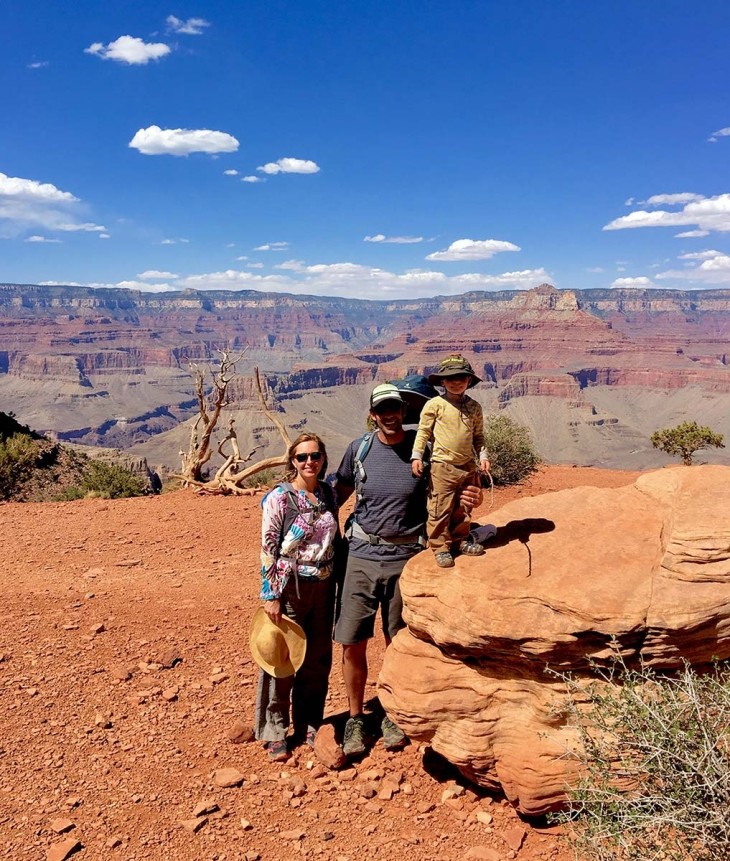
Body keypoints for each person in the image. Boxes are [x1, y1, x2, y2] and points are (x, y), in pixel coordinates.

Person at [333, 383, 482, 757]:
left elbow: (451, 490)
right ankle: (355, 717)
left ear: (404, 412)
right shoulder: (359, 449)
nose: (389, 415)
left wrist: (470, 496)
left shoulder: (425, 450)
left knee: (398, 640)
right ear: (372, 415)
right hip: (361, 557)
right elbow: (335, 496)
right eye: (382, 409)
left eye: (395, 408)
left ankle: (393, 712)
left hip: (407, 559)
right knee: (352, 641)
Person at [254, 432, 339, 762]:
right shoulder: (279, 498)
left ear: (323, 458)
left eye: (315, 456)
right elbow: (268, 548)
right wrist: (271, 594)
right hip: (289, 587)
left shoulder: (328, 494)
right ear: (292, 460)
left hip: (323, 586)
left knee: (316, 658)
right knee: (282, 659)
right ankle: (275, 730)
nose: (309, 462)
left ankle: (309, 723)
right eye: (302, 457)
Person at [411, 354, 490, 568]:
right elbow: (423, 432)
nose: (456, 382)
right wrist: (417, 455)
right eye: (450, 378)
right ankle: (440, 546)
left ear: (469, 380)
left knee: (463, 506)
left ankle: (459, 540)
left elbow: (478, 436)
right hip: (442, 465)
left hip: (467, 466)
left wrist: (483, 456)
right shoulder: (434, 405)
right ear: (442, 381)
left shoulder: (474, 407)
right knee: (440, 507)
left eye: (461, 378)